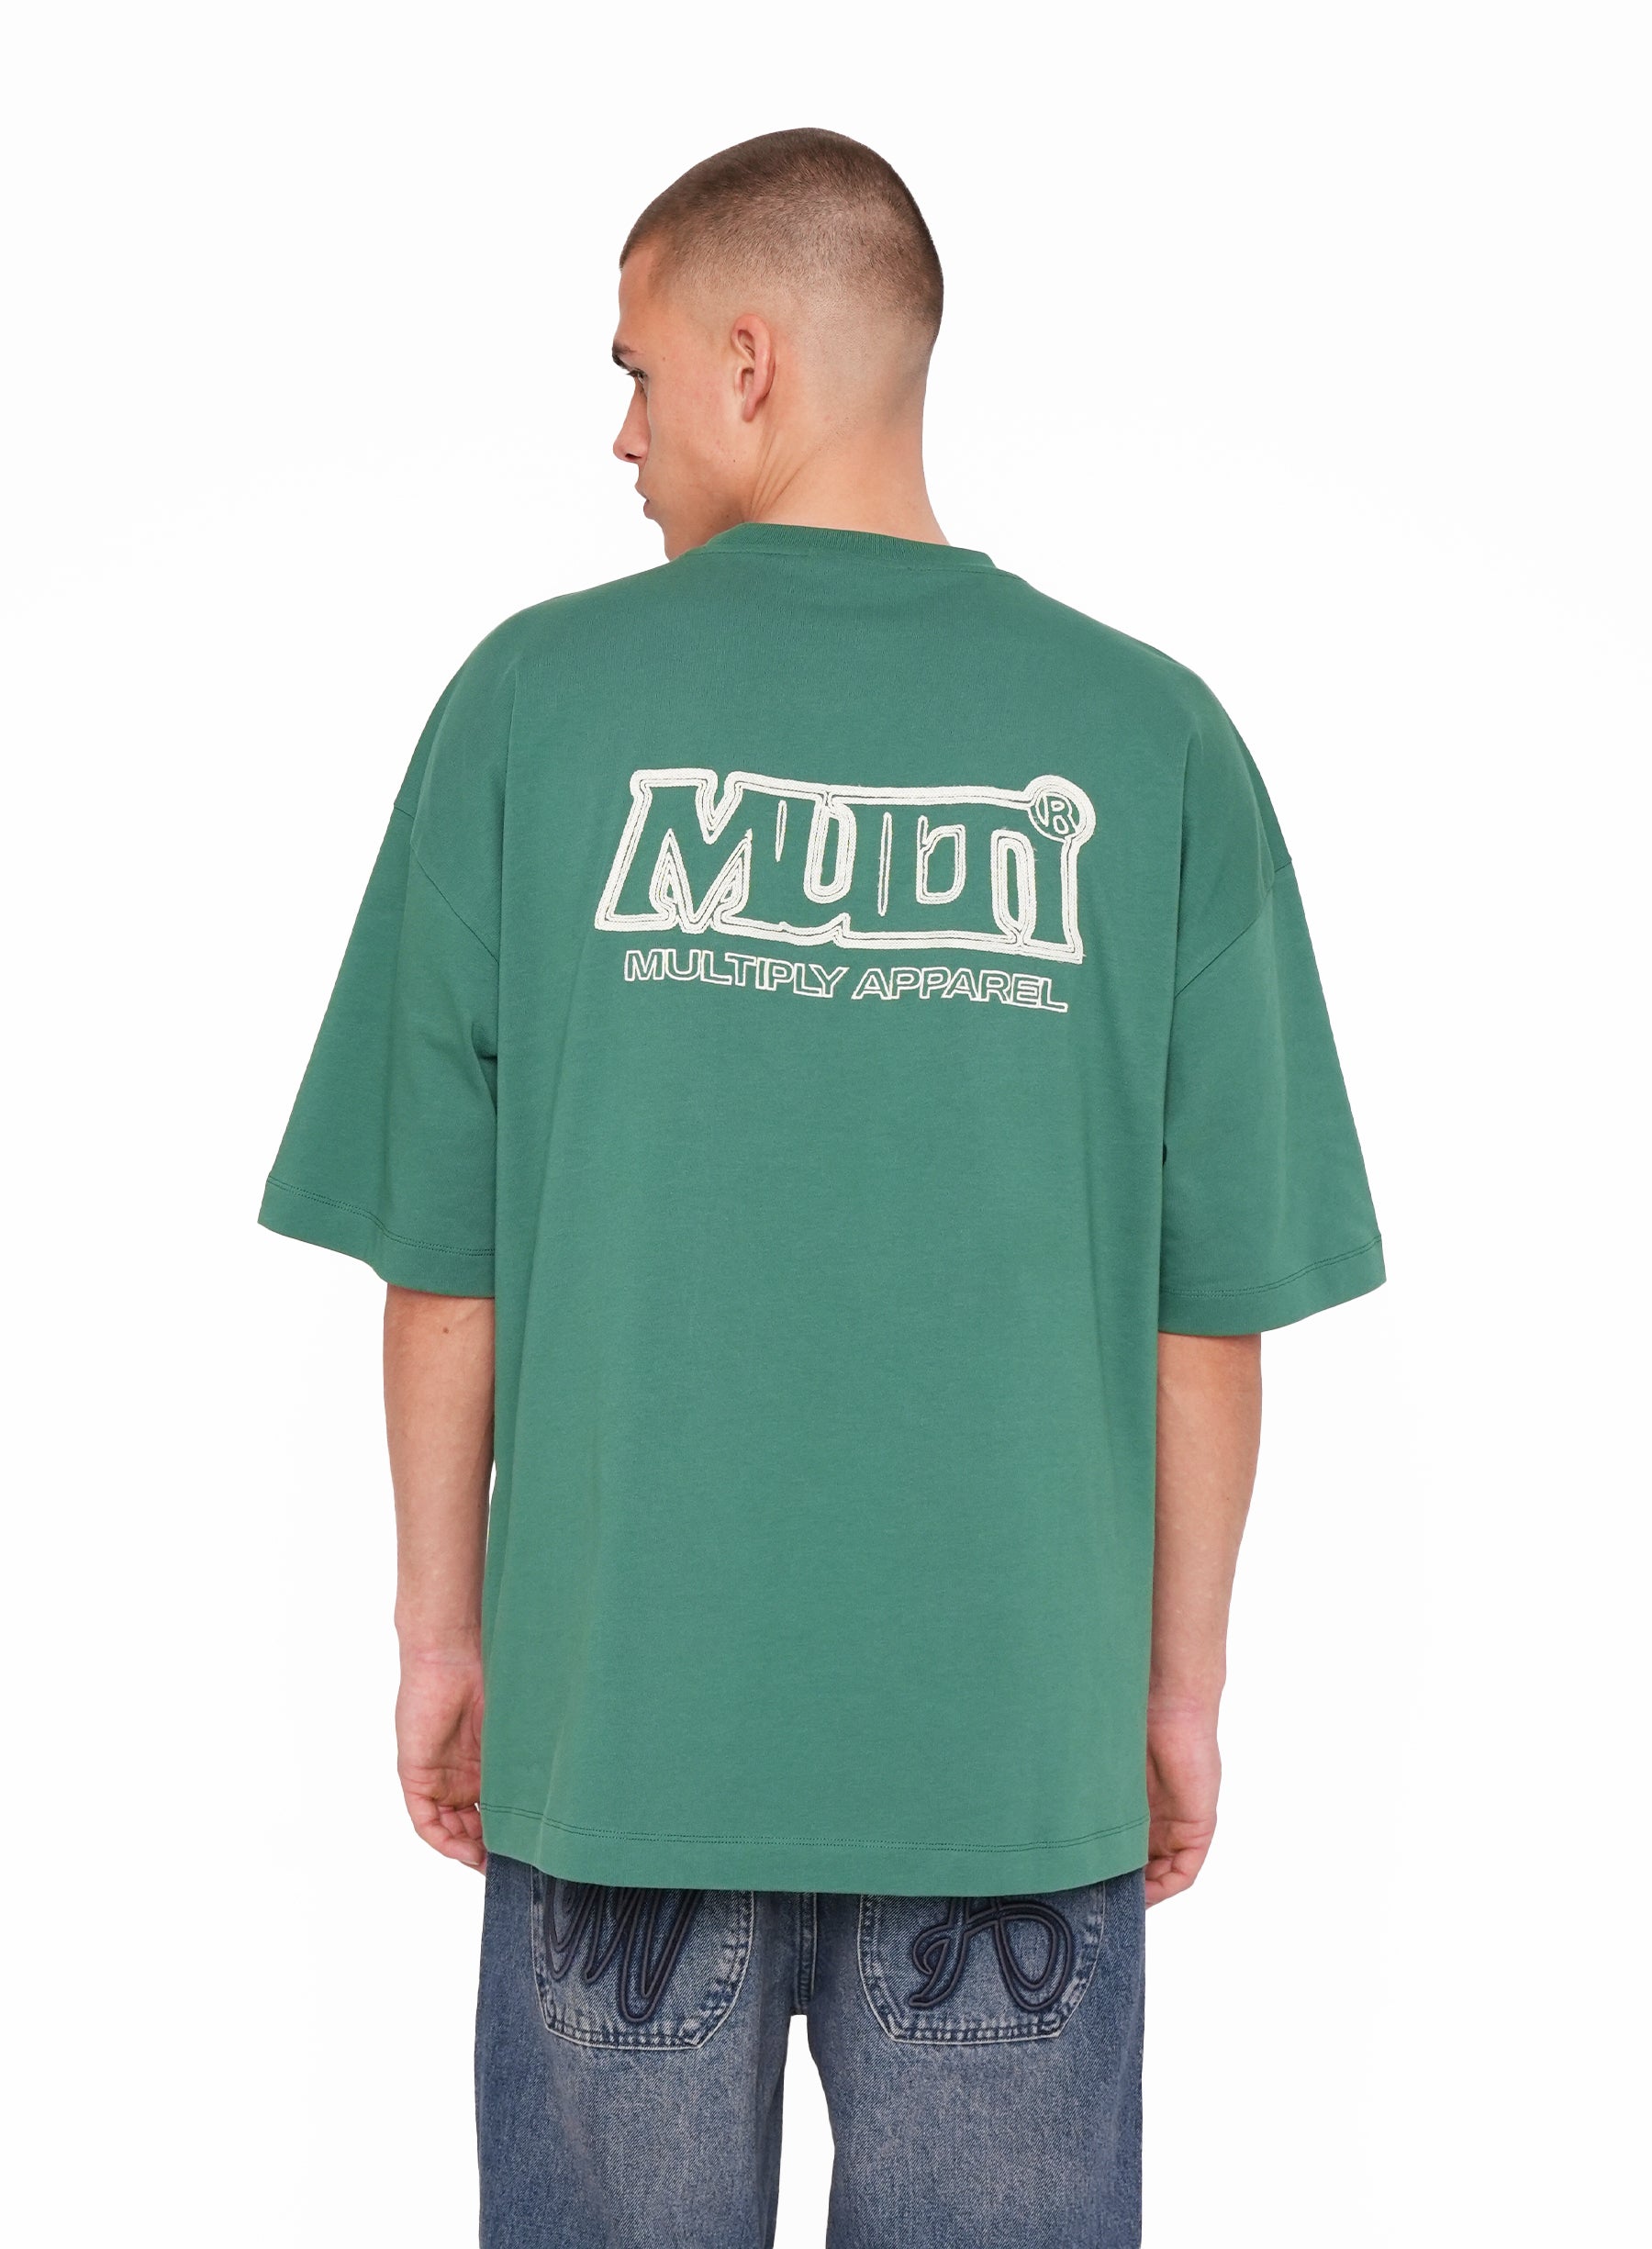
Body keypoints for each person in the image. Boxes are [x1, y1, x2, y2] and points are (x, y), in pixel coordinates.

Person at [259, 128, 1383, 2248]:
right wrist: (1175, 1695)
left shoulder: (531, 708)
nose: (622, 433)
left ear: (750, 361)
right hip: (1008, 1765)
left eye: (637, 371)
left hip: (619, 1742)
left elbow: (444, 1275)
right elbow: (1206, 1312)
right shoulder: (1151, 741)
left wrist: (443, 1639)